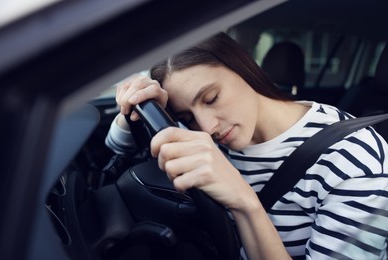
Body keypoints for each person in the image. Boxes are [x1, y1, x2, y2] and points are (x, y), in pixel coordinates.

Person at [105, 32, 388, 259]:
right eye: (186, 117)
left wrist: (244, 202)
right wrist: (135, 105)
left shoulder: (354, 159)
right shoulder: (212, 133)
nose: (206, 128)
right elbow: (117, 147)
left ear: (244, 68)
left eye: (212, 97)